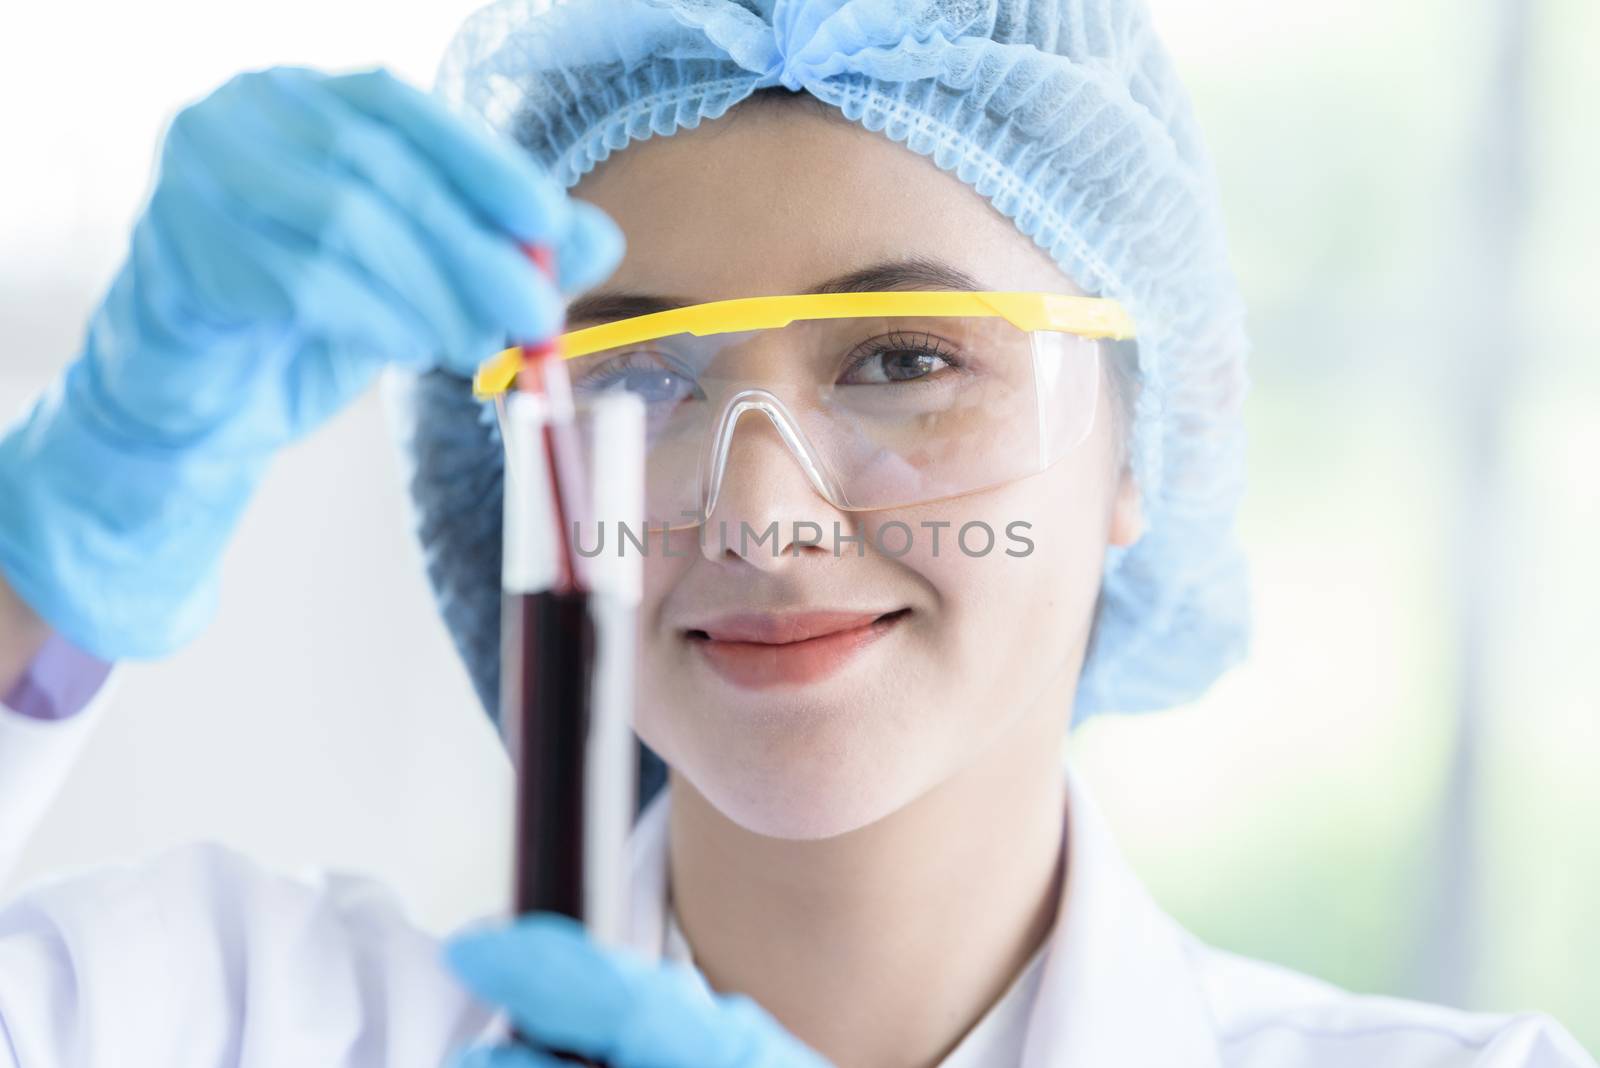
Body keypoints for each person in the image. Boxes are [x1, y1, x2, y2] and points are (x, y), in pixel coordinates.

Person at [0, 1, 1591, 1065]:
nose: (758, 514)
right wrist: (48, 557)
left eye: (905, 361)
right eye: (635, 376)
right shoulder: (227, 1015)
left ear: (1141, 440)